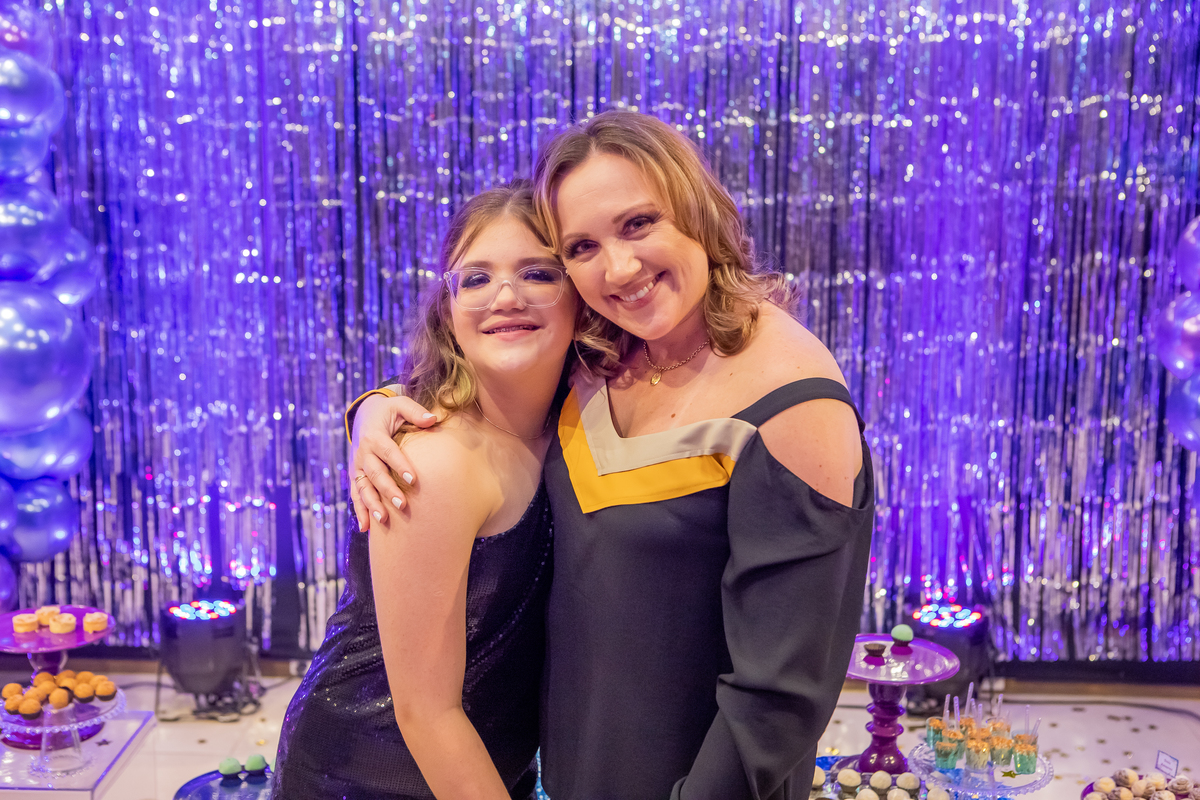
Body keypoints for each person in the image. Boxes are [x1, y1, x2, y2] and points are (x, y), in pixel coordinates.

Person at [347, 111, 875, 800]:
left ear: (696, 209)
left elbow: (778, 699)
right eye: (582, 246)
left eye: (639, 223)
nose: (620, 268)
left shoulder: (791, 404)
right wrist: (375, 408)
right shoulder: (607, 351)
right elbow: (487, 378)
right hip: (568, 770)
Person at [272, 181, 578, 800]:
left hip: (488, 761)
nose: (506, 297)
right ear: (448, 310)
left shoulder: (577, 419)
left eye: (538, 273)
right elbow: (426, 714)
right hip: (370, 770)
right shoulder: (434, 464)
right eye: (476, 278)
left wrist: (373, 402)